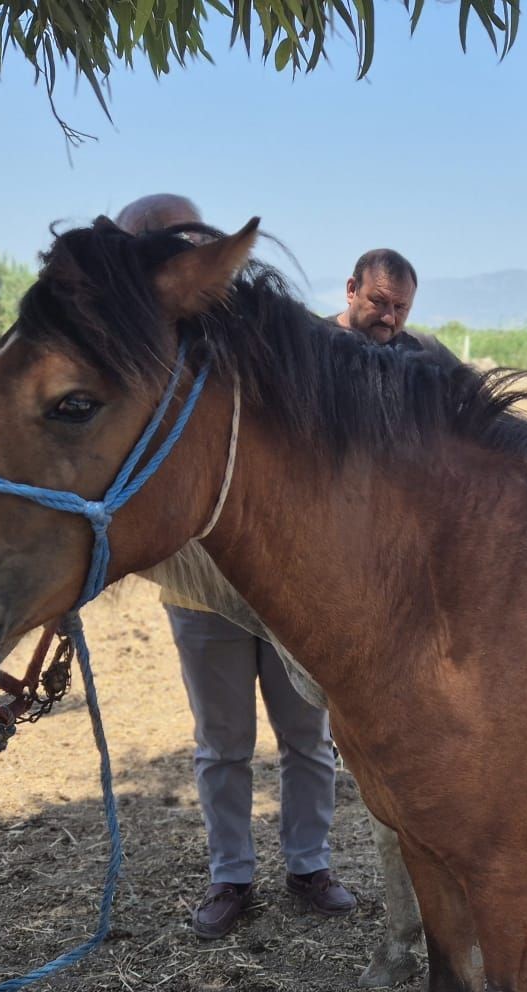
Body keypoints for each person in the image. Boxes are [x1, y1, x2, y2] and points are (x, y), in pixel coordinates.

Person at [116, 193, 358, 939]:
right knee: (222, 745)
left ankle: (308, 864)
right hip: (201, 594)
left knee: (307, 738)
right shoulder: (135, 369)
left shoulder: (259, 346)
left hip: (288, 590)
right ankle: (232, 878)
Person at [330, 247, 452, 358]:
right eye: (378, 301)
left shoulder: (425, 351)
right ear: (352, 290)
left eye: (399, 307)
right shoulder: (317, 344)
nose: (389, 318)